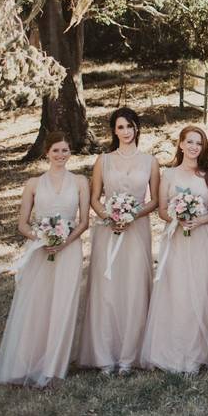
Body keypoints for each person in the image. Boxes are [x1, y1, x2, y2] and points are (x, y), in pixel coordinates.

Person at [0, 132, 90, 387]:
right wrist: (42, 239)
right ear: (47, 152)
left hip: (69, 249)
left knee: (63, 304)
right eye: (56, 150)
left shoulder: (80, 181)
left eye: (65, 150)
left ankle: (54, 366)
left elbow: (84, 222)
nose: (61, 155)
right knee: (37, 303)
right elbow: (22, 223)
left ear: (71, 153)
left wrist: (63, 242)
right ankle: (28, 361)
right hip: (40, 249)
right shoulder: (33, 184)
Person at [77, 108, 159, 375]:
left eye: (130, 126)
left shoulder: (150, 161)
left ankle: (129, 355)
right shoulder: (104, 160)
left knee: (134, 287)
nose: (126, 131)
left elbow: (155, 201)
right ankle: (104, 356)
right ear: (114, 130)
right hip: (108, 231)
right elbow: (94, 197)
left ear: (137, 129)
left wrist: (132, 214)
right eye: (121, 127)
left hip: (137, 230)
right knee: (107, 289)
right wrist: (109, 216)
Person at [140, 126, 208, 373]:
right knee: (177, 290)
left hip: (202, 237)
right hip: (176, 236)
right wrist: (177, 217)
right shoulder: (170, 175)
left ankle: (199, 350)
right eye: (190, 142)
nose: (195, 147)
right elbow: (162, 209)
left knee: (201, 288)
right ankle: (173, 350)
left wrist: (198, 220)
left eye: (199, 143)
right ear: (181, 145)